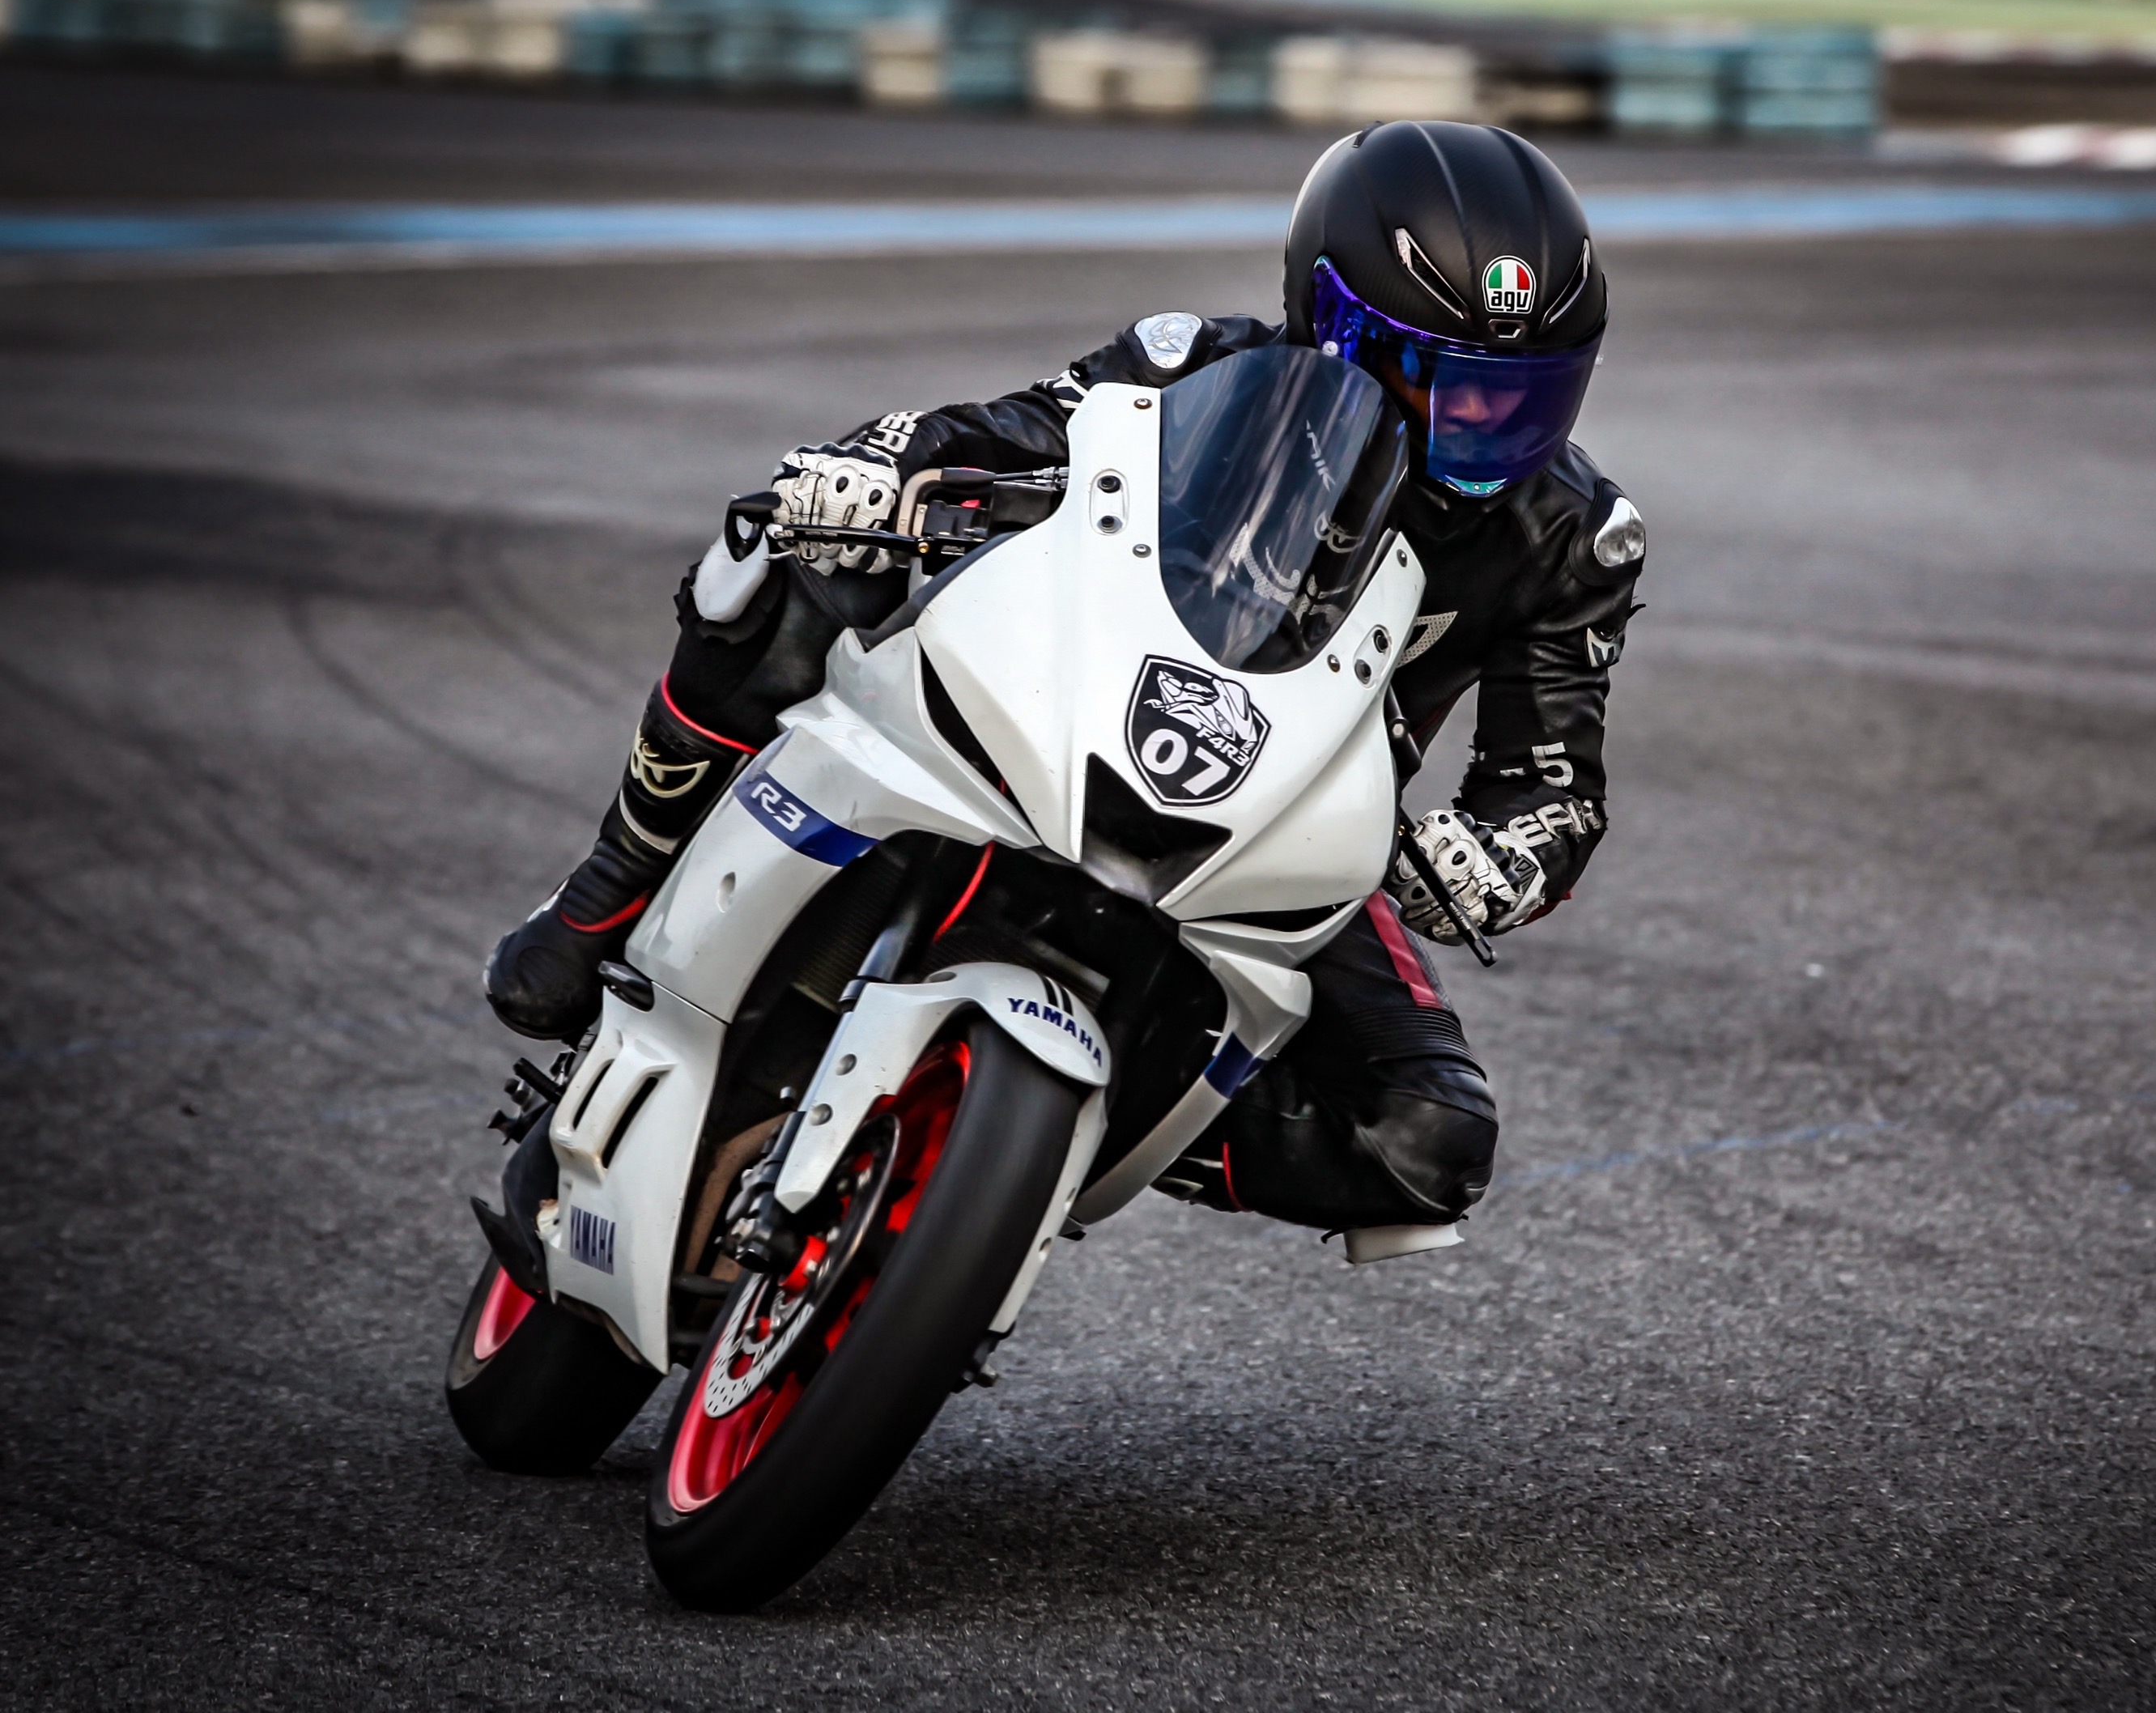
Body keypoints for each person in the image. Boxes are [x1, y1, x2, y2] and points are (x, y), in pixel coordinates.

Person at [485, 120, 1646, 1236]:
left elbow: (1553, 783)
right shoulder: (1191, 367)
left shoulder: (1576, 538)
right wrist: (878, 467)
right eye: (1441, 378)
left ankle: (1067, 1136)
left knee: (1431, 1140)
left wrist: (1499, 858)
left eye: (1525, 391)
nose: (1483, 419)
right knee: (782, 556)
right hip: (1065, 689)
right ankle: (610, 889)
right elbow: (998, 433)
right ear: (1329, 321)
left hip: (1290, 825)